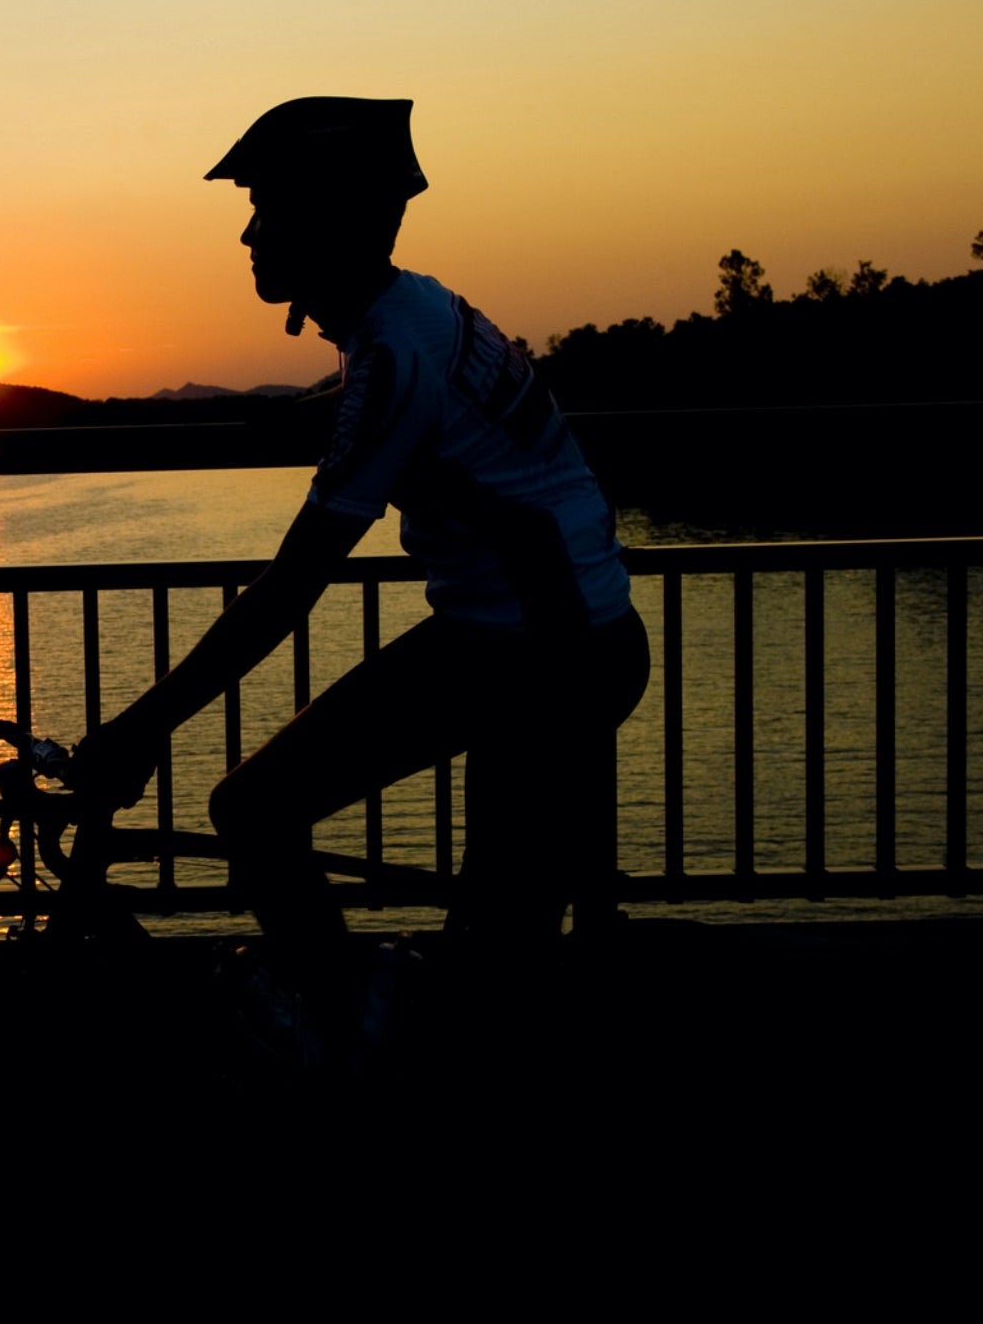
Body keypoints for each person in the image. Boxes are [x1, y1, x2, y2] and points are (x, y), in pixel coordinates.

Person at [76, 97, 650, 1049]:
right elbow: (390, 396)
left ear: (330, 224)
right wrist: (300, 411)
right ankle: (386, 1020)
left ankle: (349, 1028)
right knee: (494, 943)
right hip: (564, 632)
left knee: (254, 812)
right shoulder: (414, 306)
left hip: (533, 656)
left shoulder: (391, 353)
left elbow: (290, 588)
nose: (250, 232)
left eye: (268, 208)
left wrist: (141, 730)